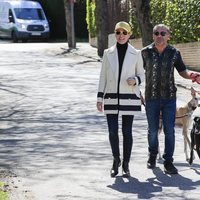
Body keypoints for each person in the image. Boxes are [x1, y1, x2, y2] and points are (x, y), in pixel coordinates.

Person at [141, 24, 200, 174]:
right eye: (156, 33)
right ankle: (152, 155)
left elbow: (182, 71)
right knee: (153, 130)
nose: (159, 36)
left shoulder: (174, 52)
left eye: (162, 33)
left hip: (169, 99)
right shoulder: (145, 53)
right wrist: (136, 90)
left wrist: (192, 75)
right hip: (151, 98)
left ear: (168, 35)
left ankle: (168, 161)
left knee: (169, 130)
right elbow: (139, 73)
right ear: (153, 35)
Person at [96, 21, 144, 178]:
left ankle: (126, 164)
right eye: (118, 32)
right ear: (115, 34)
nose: (121, 35)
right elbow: (103, 76)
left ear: (130, 34)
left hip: (129, 97)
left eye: (124, 32)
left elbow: (143, 75)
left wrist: (135, 80)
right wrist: (99, 97)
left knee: (127, 132)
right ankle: (116, 160)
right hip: (110, 96)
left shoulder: (136, 54)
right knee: (112, 131)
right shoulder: (107, 53)